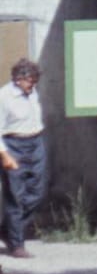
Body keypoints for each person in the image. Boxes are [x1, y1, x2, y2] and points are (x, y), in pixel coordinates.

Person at [1, 58, 48, 259]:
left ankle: (7, 229)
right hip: (13, 144)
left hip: (35, 142)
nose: (33, 84)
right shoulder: (4, 97)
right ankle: (16, 244)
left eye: (35, 80)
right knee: (15, 196)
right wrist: (4, 155)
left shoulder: (32, 92)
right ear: (18, 79)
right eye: (30, 80)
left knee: (38, 191)